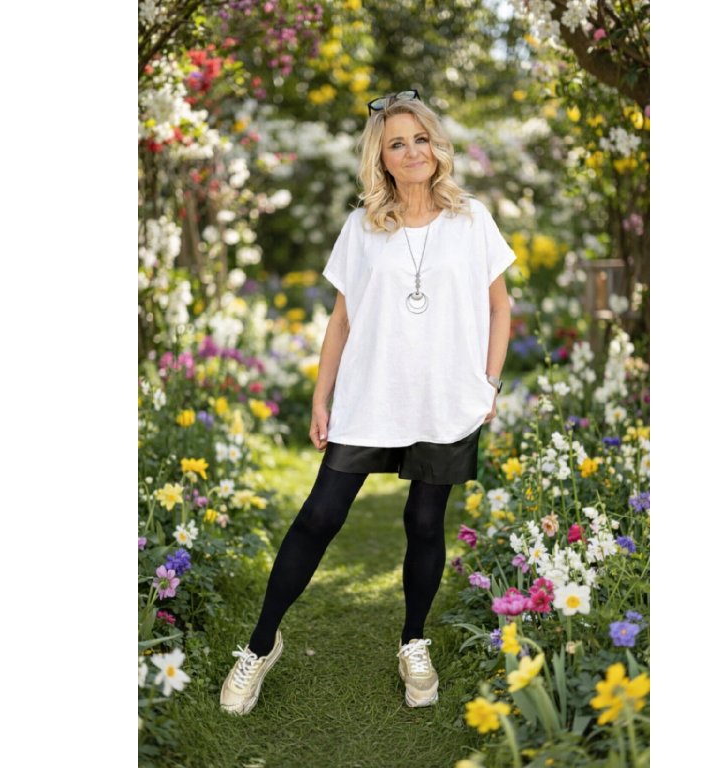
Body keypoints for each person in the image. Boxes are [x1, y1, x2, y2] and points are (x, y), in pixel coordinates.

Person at [220, 89, 516, 715]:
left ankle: (413, 641)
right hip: (370, 395)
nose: (412, 152)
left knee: (424, 523)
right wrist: (320, 397)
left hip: (444, 399)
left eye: (421, 139)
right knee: (320, 516)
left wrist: (489, 382)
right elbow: (341, 321)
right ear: (381, 159)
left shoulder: (473, 219)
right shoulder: (362, 227)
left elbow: (500, 307)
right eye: (397, 144)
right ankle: (260, 644)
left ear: (437, 146)